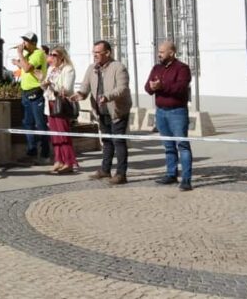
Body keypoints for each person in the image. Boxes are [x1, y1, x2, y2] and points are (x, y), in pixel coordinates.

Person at [71, 40, 132, 185]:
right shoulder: (92, 68)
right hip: (101, 111)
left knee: (118, 142)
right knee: (106, 141)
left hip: (117, 111)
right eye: (94, 52)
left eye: (98, 52)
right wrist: (79, 95)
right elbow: (85, 87)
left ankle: (121, 174)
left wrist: (107, 97)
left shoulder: (119, 67)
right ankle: (105, 170)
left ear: (108, 53)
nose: (95, 55)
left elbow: (122, 89)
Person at [145, 40, 193, 191]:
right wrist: (152, 87)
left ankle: (186, 179)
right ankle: (171, 173)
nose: (159, 54)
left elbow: (180, 88)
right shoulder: (156, 68)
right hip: (161, 111)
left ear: (171, 53)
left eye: (162, 52)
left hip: (177, 112)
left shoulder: (182, 68)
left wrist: (162, 86)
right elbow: (147, 87)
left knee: (182, 145)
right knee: (168, 145)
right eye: (158, 52)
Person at [14, 32, 49, 164]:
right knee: (27, 123)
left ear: (33, 43)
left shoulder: (38, 53)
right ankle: (31, 151)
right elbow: (26, 67)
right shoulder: (28, 55)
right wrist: (18, 63)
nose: (24, 44)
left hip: (36, 92)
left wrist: (20, 54)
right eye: (23, 40)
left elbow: (28, 68)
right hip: (26, 93)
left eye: (26, 41)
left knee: (40, 124)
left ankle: (45, 154)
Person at [42, 47, 78, 174]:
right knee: (54, 134)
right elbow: (45, 87)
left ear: (62, 56)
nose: (51, 57)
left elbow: (66, 89)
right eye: (50, 54)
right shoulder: (51, 69)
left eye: (54, 55)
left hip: (61, 104)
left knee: (63, 133)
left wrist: (51, 85)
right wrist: (43, 83)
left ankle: (69, 162)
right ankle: (58, 160)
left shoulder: (68, 69)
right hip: (50, 103)